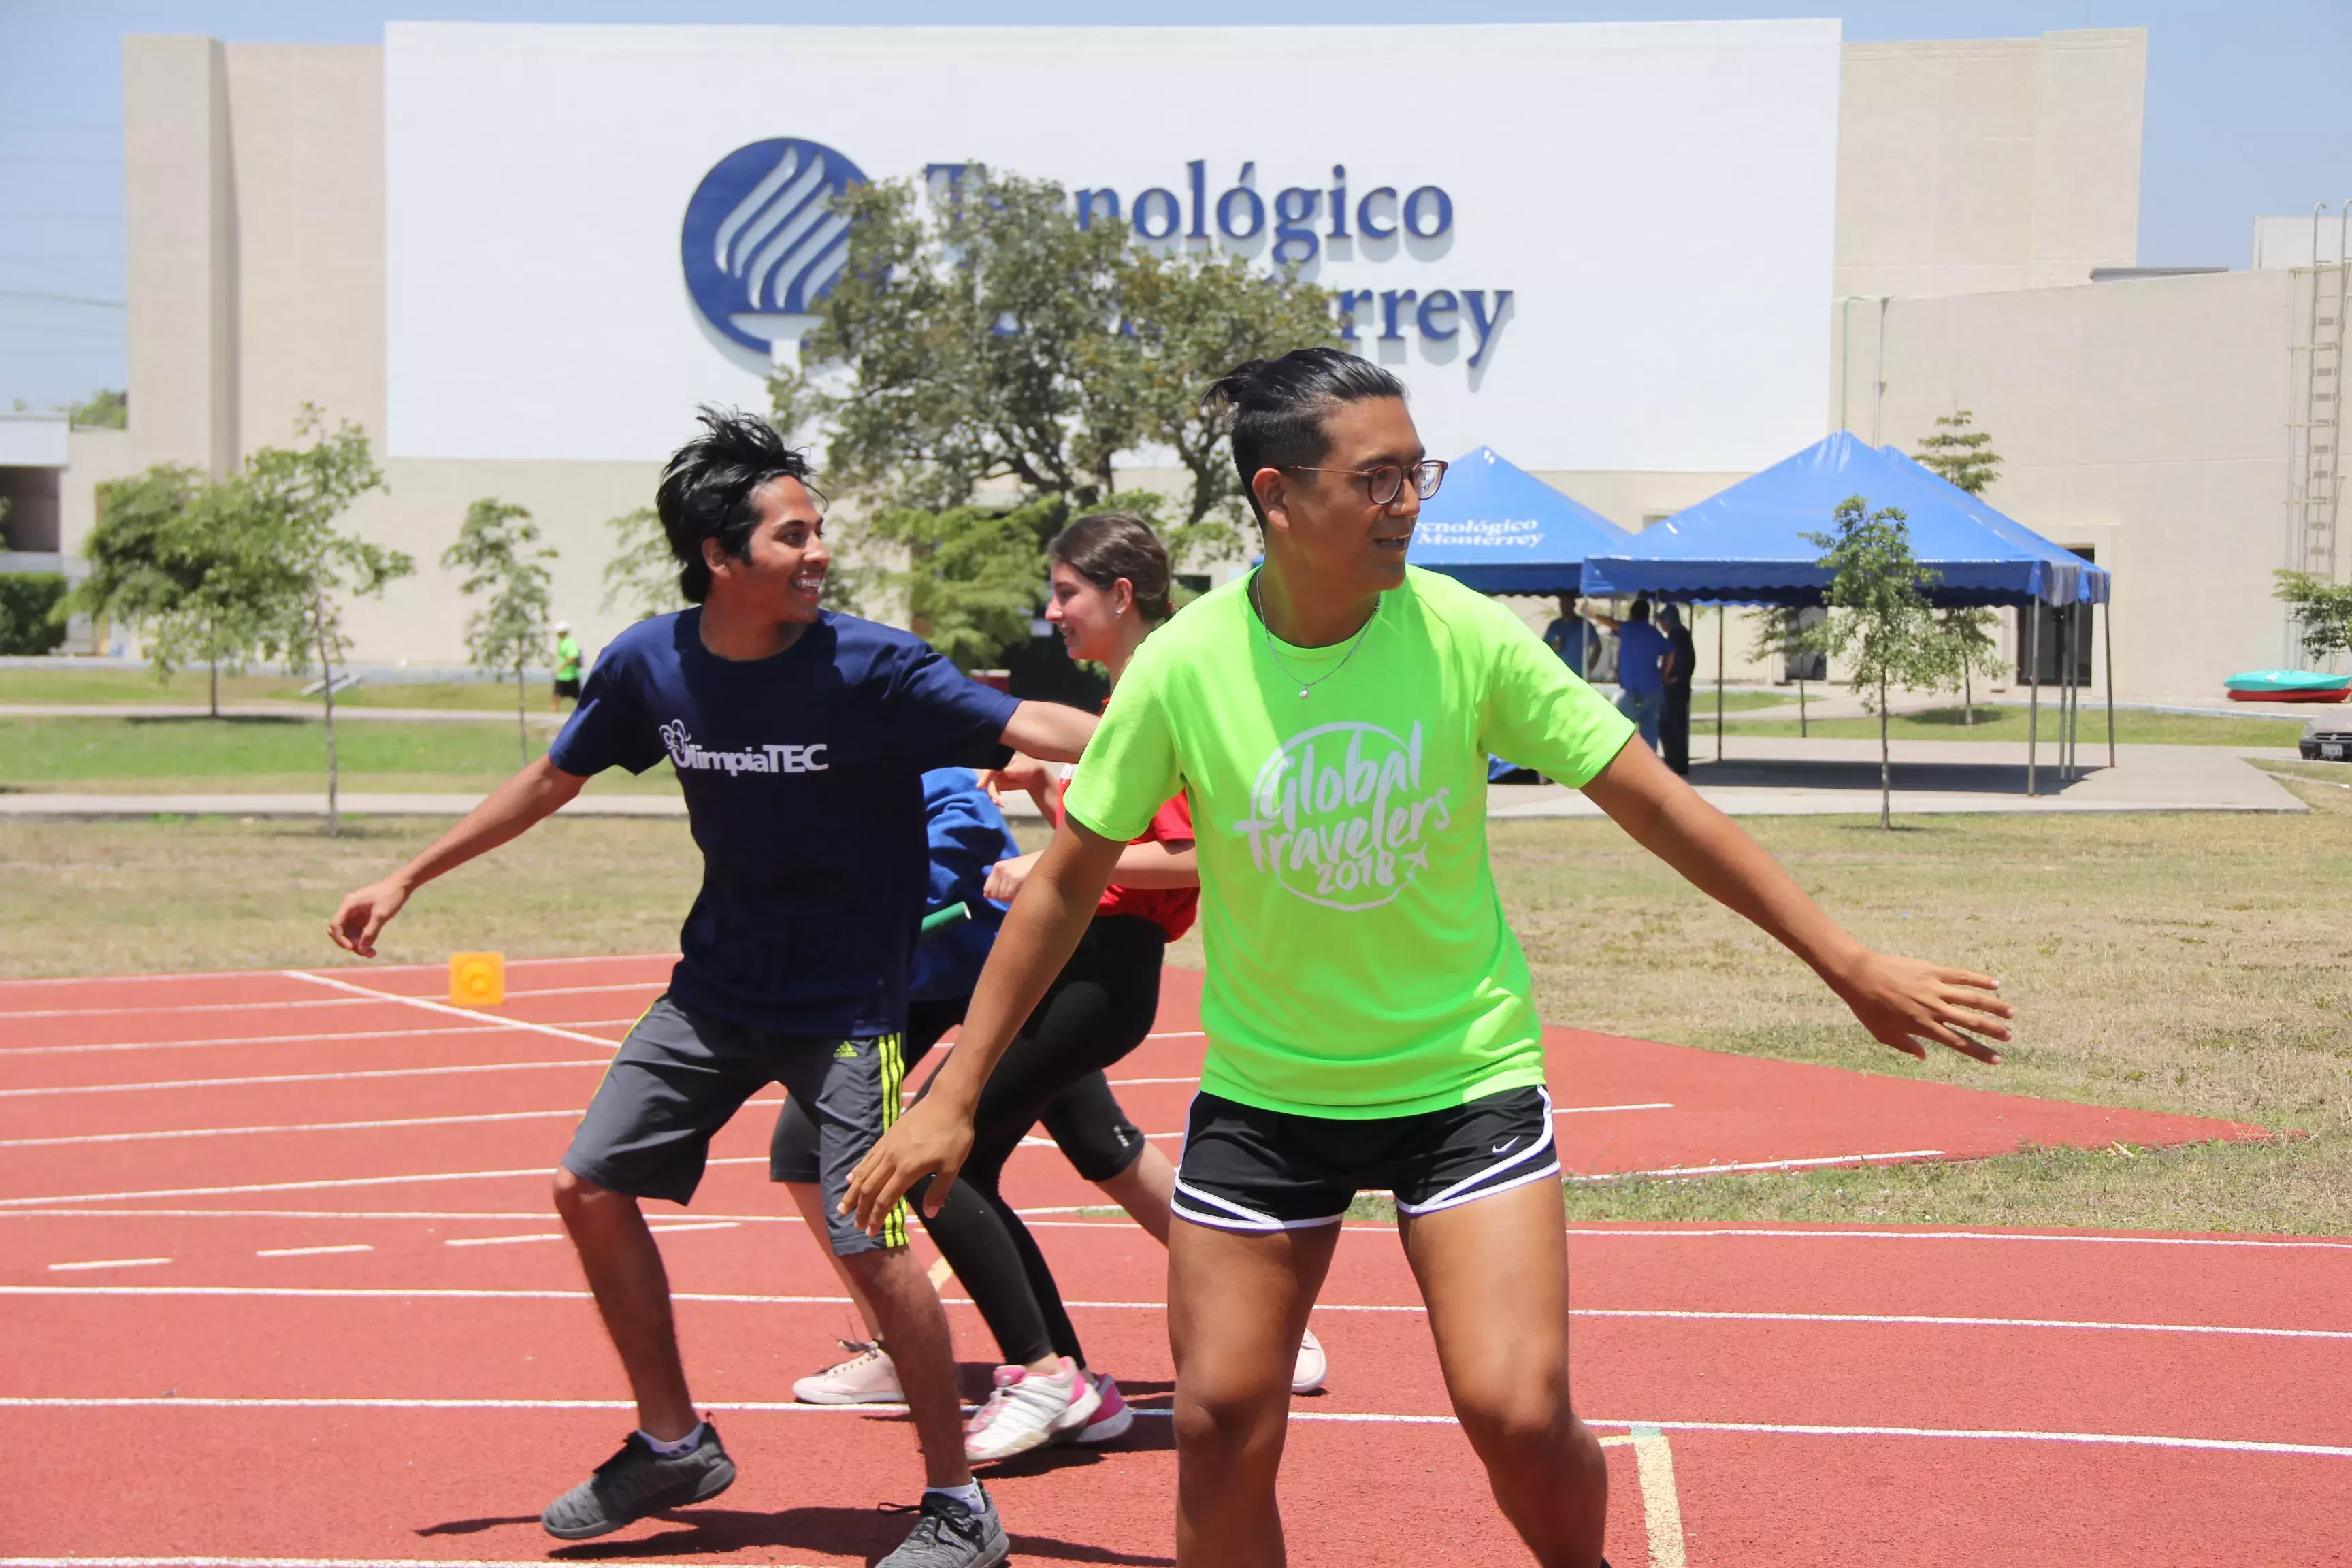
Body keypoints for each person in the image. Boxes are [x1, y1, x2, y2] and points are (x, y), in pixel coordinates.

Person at [843, 348, 2012, 1568]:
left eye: (1418, 474)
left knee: (1513, 1409)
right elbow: (1069, 878)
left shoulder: (1462, 638)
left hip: (1463, 1079)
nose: (1409, 503)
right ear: (1277, 494)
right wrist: (959, 1092)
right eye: (1378, 479)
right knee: (1220, 1417)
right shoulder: (1185, 666)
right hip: (1268, 1094)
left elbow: (1656, 802)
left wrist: (1843, 958)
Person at [325, 408, 1098, 1568]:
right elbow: (552, 777)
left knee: (869, 1233)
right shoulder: (651, 662)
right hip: (715, 988)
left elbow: (1031, 720)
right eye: (793, 535)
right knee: (586, 1183)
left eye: (818, 529)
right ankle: (675, 1439)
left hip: (845, 1007)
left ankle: (958, 1503)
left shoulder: (872, 666)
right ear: (721, 558)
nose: (820, 551)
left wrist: (1181, 736)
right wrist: (407, 873)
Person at [1581, 597, 1669, 750]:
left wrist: (1593, 615)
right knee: (1650, 734)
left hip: (1636, 692)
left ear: (1632, 614)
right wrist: (1665, 674)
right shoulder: (1654, 633)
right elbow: (1671, 651)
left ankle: (1611, 764)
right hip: (1654, 691)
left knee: (1616, 729)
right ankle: (1649, 769)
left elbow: (1611, 623)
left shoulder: (1629, 629)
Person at [1657, 603, 1697, 777]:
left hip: (1674, 688)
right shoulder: (1683, 634)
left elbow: (1673, 657)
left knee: (1668, 725)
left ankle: (1674, 762)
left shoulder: (1676, 635)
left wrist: (1668, 677)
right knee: (1677, 726)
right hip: (1681, 687)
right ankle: (1678, 762)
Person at [1540, 593, 1584, 679]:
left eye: (1566, 604)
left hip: (1577, 674)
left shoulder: (1583, 625)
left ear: (1573, 605)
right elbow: (1544, 647)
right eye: (1562, 604)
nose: (1564, 607)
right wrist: (1553, 649)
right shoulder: (1554, 625)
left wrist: (1589, 668)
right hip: (1557, 673)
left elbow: (1597, 647)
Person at [551, 620, 584, 712]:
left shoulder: (570, 643)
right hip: (562, 677)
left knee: (581, 701)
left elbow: (573, 656)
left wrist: (560, 668)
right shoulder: (562, 642)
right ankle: (553, 720)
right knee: (556, 700)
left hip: (570, 676)